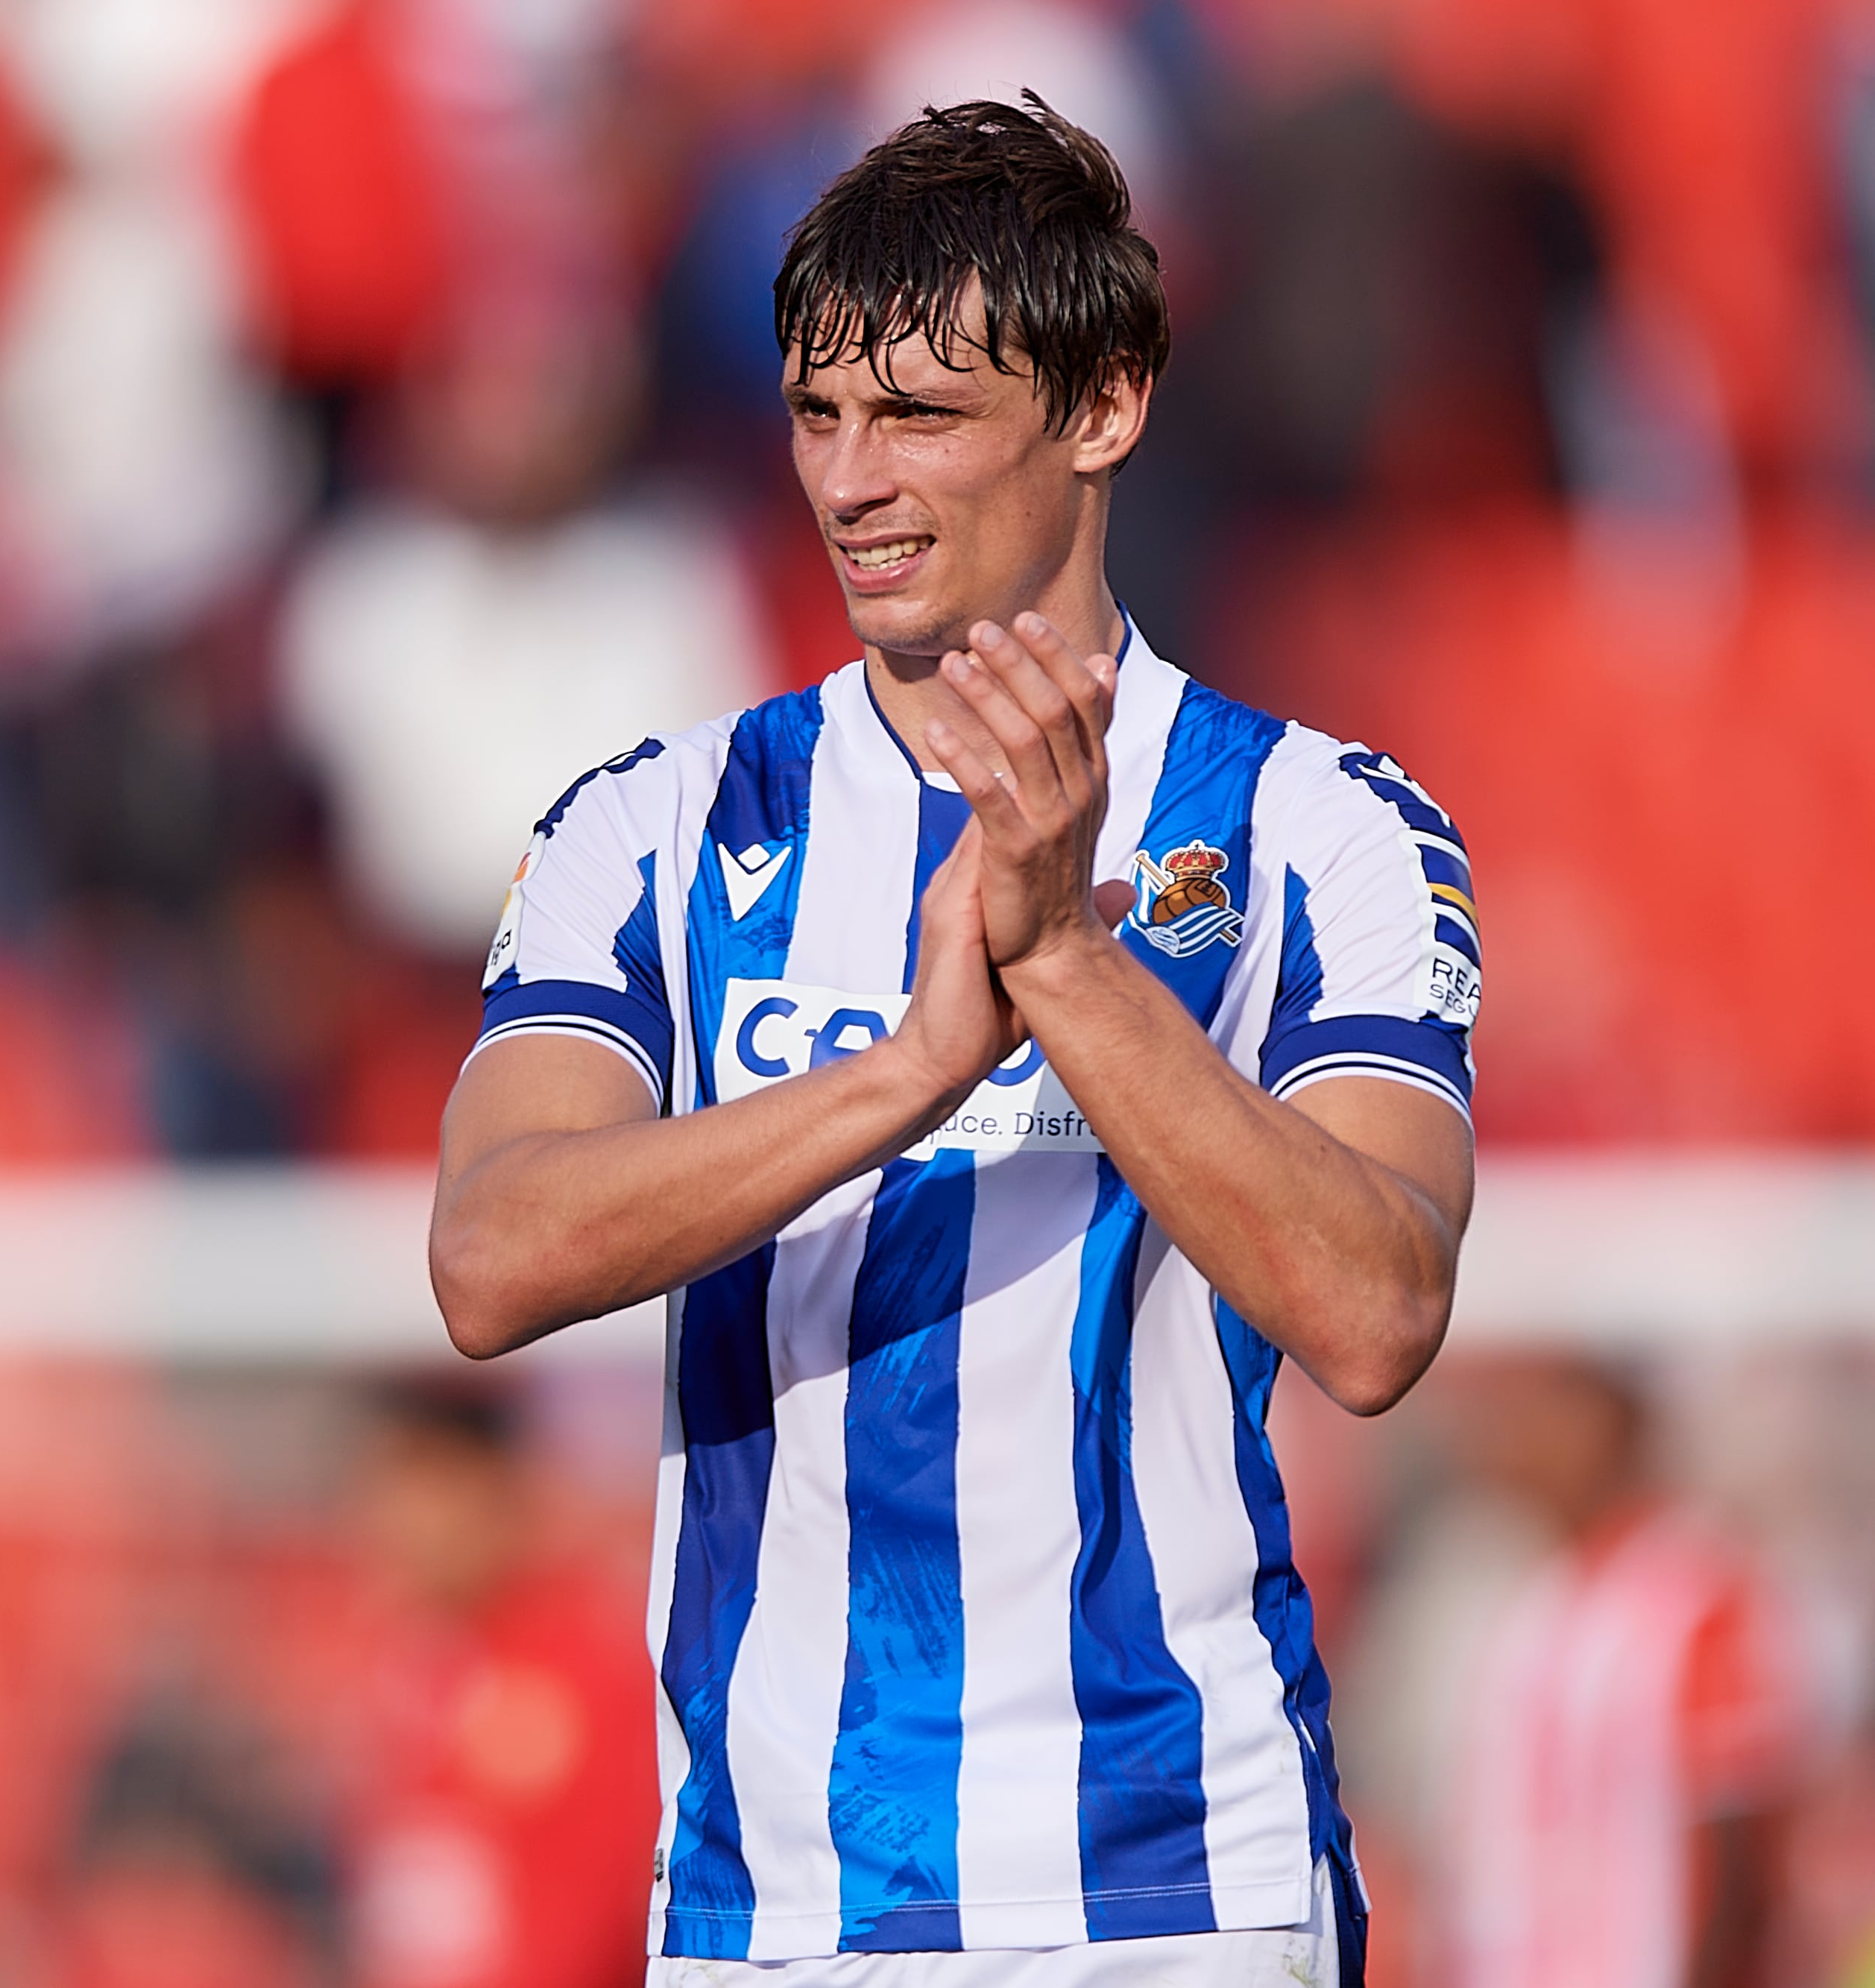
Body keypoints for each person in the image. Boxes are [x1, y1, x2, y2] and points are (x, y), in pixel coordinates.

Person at [426, 98, 1481, 1985]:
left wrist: (1062, 965)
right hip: (777, 1907)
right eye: (817, 416)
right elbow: (490, 1257)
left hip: (1175, 1887)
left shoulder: (1323, 825)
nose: (848, 482)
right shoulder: (654, 824)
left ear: (1104, 405)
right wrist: (901, 1074)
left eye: (918, 415)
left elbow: (1376, 1309)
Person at [1438, 1354, 1803, 1988]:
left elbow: (1739, 1830)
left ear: (1615, 1426)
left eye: (1550, 1416)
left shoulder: (1696, 1589)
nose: (1525, 1441)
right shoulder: (1538, 1602)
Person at [338, 1380, 658, 1988]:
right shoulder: (396, 1663)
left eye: (426, 1482)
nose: (397, 1518)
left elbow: (612, 1902)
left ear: (492, 1486)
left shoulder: (585, 1665)